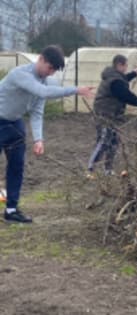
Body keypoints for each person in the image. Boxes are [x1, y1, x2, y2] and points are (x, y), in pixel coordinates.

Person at [0, 45, 95, 223]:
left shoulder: (42, 81)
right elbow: (43, 92)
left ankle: (11, 210)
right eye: (50, 68)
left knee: (16, 167)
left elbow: (37, 112)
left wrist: (39, 139)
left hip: (15, 124)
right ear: (41, 59)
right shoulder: (20, 74)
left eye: (54, 70)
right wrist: (76, 90)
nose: (51, 73)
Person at [87, 54, 137, 177]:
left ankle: (108, 170)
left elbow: (124, 79)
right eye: (125, 65)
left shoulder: (113, 76)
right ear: (120, 65)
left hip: (111, 115)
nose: (126, 68)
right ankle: (90, 169)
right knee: (105, 140)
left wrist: (134, 73)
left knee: (114, 142)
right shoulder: (115, 80)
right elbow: (125, 95)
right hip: (105, 115)